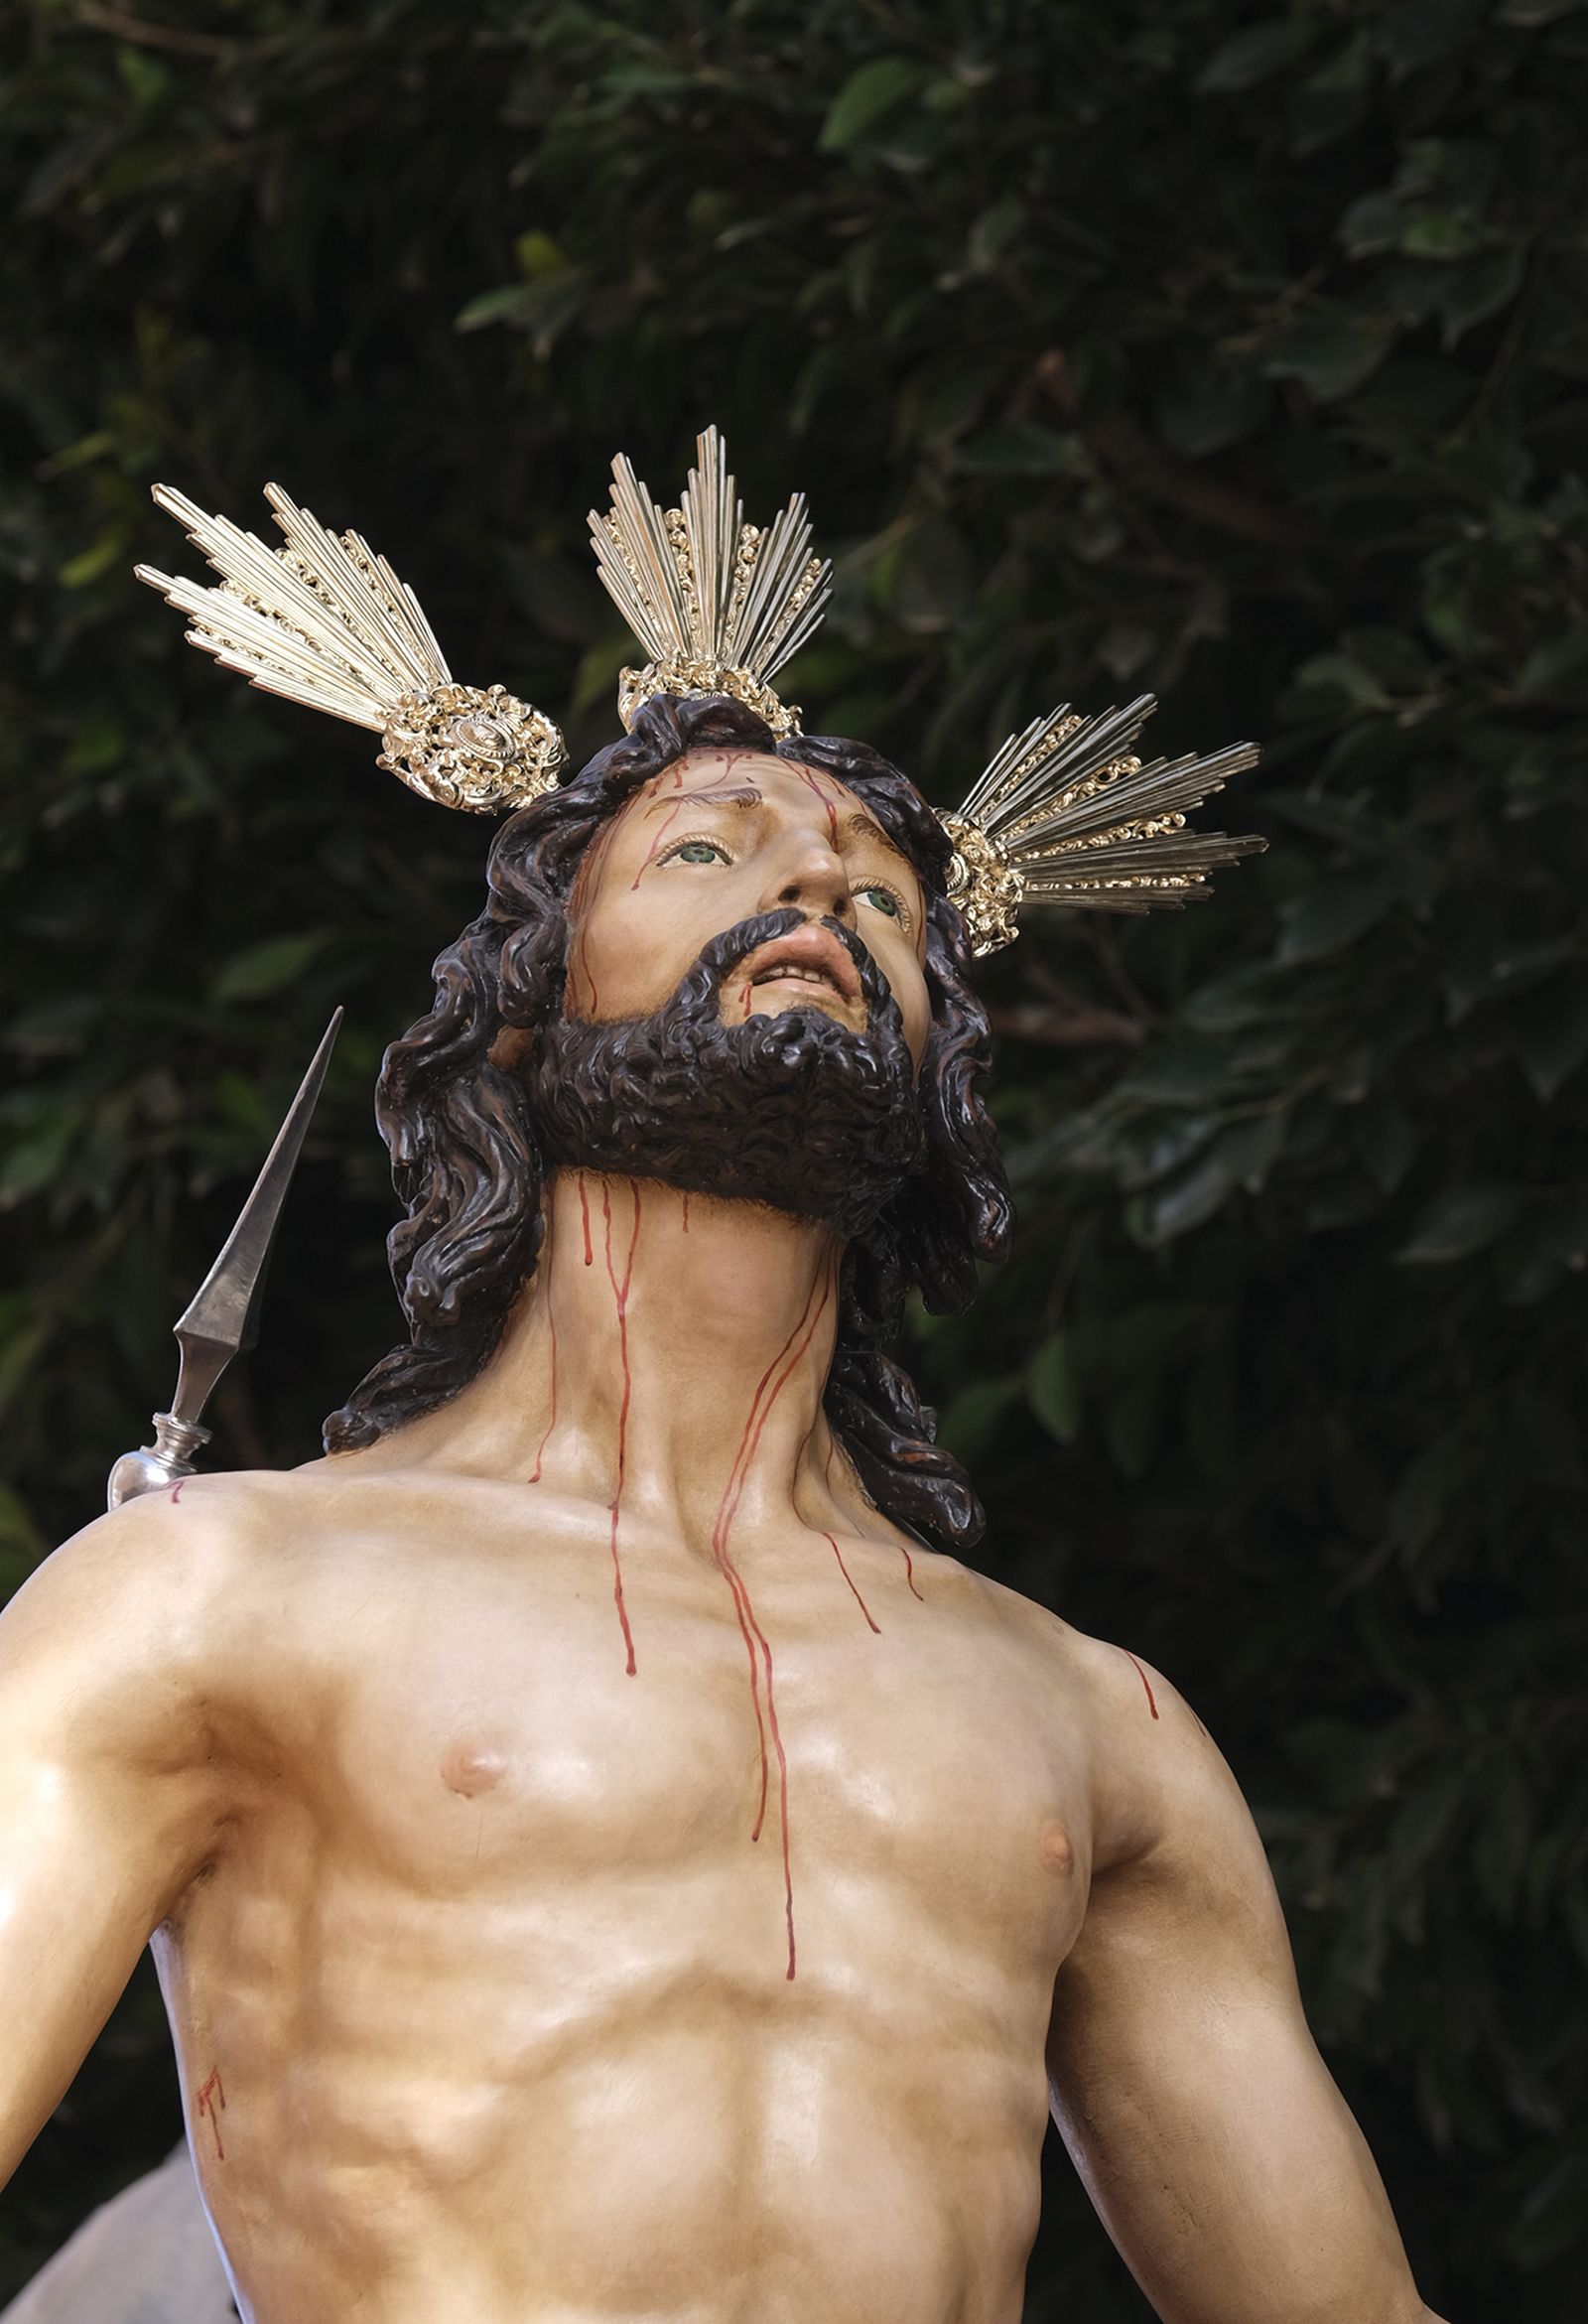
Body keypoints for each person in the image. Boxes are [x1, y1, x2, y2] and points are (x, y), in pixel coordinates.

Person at [0, 443, 1447, 2323]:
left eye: (885, 900)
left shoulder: (1097, 1725)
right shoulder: (221, 1594)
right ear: (525, 1009)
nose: (821, 890)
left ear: (946, 1065)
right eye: (713, 848)